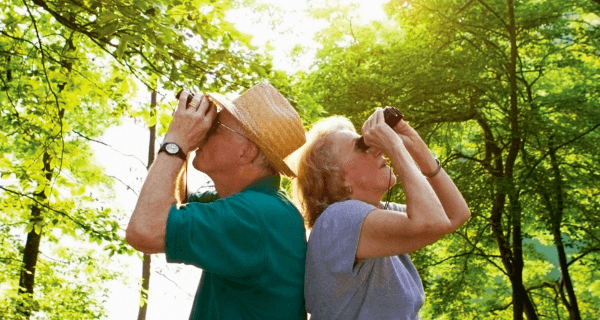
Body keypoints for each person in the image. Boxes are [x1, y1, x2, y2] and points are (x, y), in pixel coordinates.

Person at [126, 82, 308, 320]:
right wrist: (185, 143)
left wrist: (177, 140)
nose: (205, 132)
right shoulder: (261, 205)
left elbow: (145, 229)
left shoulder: (253, 215)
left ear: (246, 152)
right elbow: (170, 204)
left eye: (216, 128)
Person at [292, 109, 470, 320]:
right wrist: (394, 146)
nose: (377, 150)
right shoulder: (339, 218)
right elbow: (433, 223)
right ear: (339, 180)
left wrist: (415, 146)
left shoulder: (375, 213)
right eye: (362, 147)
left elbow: (455, 214)